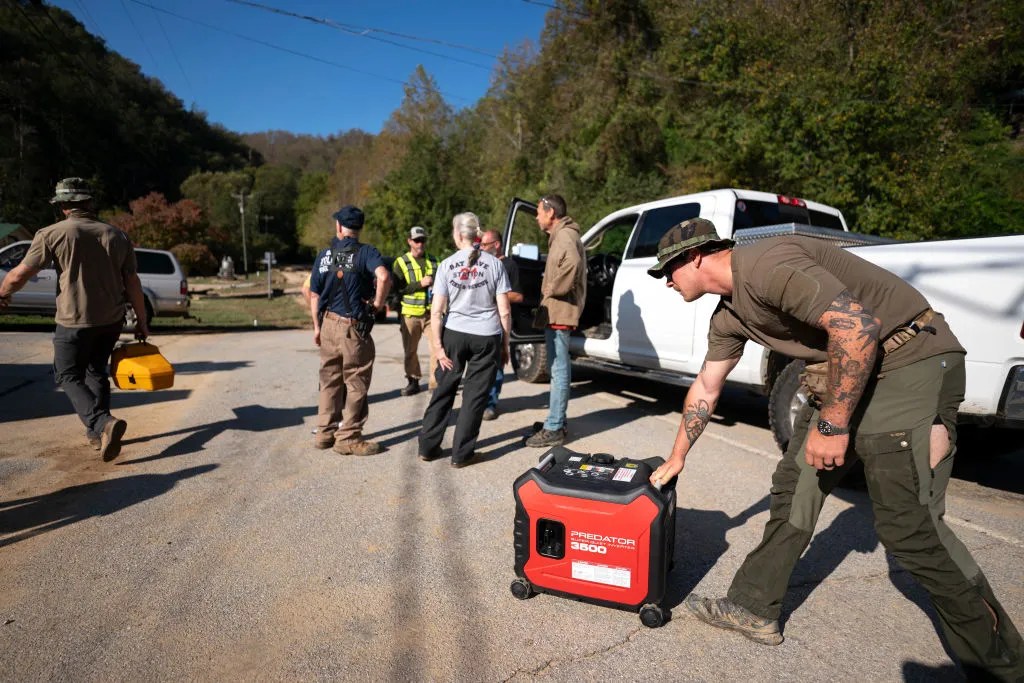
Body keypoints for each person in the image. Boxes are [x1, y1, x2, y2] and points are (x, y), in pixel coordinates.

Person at [646, 218, 1023, 679]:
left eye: (668, 269)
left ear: (697, 256)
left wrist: (833, 422)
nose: (666, 281)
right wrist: (678, 454)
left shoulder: (767, 264)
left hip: (908, 361)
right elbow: (706, 385)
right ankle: (753, 606)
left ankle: (1004, 667)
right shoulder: (728, 315)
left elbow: (858, 328)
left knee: (911, 528)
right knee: (794, 487)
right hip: (852, 373)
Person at [0, 177, 150, 462]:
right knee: (96, 371)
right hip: (111, 319)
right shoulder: (118, 235)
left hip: (73, 319)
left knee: (67, 374)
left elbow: (20, 274)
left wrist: (2, 293)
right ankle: (97, 435)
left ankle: (101, 423)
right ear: (90, 203)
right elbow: (132, 282)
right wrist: (141, 321)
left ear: (62, 207)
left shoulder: (51, 233)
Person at [418, 212, 511, 468]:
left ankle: (427, 446)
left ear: (458, 235)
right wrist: (505, 346)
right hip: (486, 336)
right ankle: (461, 454)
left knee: (444, 390)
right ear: (476, 235)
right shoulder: (495, 264)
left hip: (454, 336)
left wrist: (438, 347)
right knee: (474, 397)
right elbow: (504, 310)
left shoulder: (446, 265)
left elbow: (436, 311)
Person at [308, 205, 391, 456]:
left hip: (328, 324)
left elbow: (313, 293)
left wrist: (316, 327)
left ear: (339, 227)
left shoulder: (325, 255)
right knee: (355, 382)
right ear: (359, 228)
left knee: (329, 381)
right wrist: (377, 304)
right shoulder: (366, 252)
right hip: (353, 327)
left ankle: (324, 433)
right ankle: (348, 437)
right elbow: (384, 276)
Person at [525, 194, 585, 448]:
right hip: (557, 311)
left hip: (561, 310)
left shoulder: (564, 236)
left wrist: (550, 289)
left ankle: (555, 426)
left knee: (559, 369)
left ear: (550, 212)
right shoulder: (562, 235)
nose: (537, 217)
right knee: (556, 368)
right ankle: (555, 419)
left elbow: (572, 264)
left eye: (539, 211)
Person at [479, 229, 523, 420]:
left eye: (484, 245)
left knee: (496, 366)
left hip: (498, 324)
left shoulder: (509, 265)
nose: (481, 248)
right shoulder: (482, 264)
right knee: (479, 366)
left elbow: (518, 295)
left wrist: (496, 295)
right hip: (478, 323)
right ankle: (477, 402)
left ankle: (490, 404)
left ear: (496, 245)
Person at [392, 226, 440, 396]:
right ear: (409, 241)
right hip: (410, 315)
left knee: (437, 349)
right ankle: (413, 382)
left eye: (423, 240)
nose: (420, 243)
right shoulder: (401, 262)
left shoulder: (434, 261)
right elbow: (397, 290)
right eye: (417, 240)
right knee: (410, 351)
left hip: (431, 315)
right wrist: (421, 284)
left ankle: (435, 385)